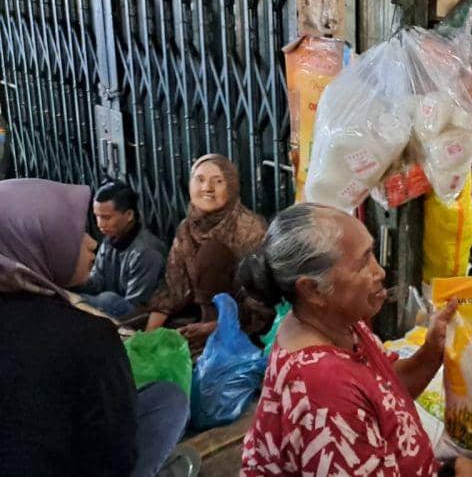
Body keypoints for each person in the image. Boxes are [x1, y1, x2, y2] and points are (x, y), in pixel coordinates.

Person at [240, 203, 472, 477]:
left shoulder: (340, 323)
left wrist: (432, 350)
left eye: (373, 254)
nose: (379, 272)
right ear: (313, 290)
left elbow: (387, 390)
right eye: (363, 263)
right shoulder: (323, 388)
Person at [0, 179, 189, 477]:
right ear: (37, 242)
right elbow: (115, 455)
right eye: (74, 234)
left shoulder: (144, 252)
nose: (91, 241)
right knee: (169, 399)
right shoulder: (89, 337)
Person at [145, 154, 271, 351]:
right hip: (198, 318)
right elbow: (173, 288)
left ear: (231, 186)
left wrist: (215, 326)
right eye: (200, 179)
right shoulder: (187, 227)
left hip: (242, 324)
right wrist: (149, 336)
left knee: (212, 252)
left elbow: (261, 300)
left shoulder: (251, 229)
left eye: (218, 181)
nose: (207, 188)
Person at [77, 180, 168, 318]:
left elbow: (137, 306)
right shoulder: (110, 240)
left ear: (129, 215)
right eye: (97, 216)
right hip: (118, 307)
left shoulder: (146, 252)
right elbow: (96, 283)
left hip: (139, 315)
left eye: (106, 217)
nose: (100, 224)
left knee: (107, 299)